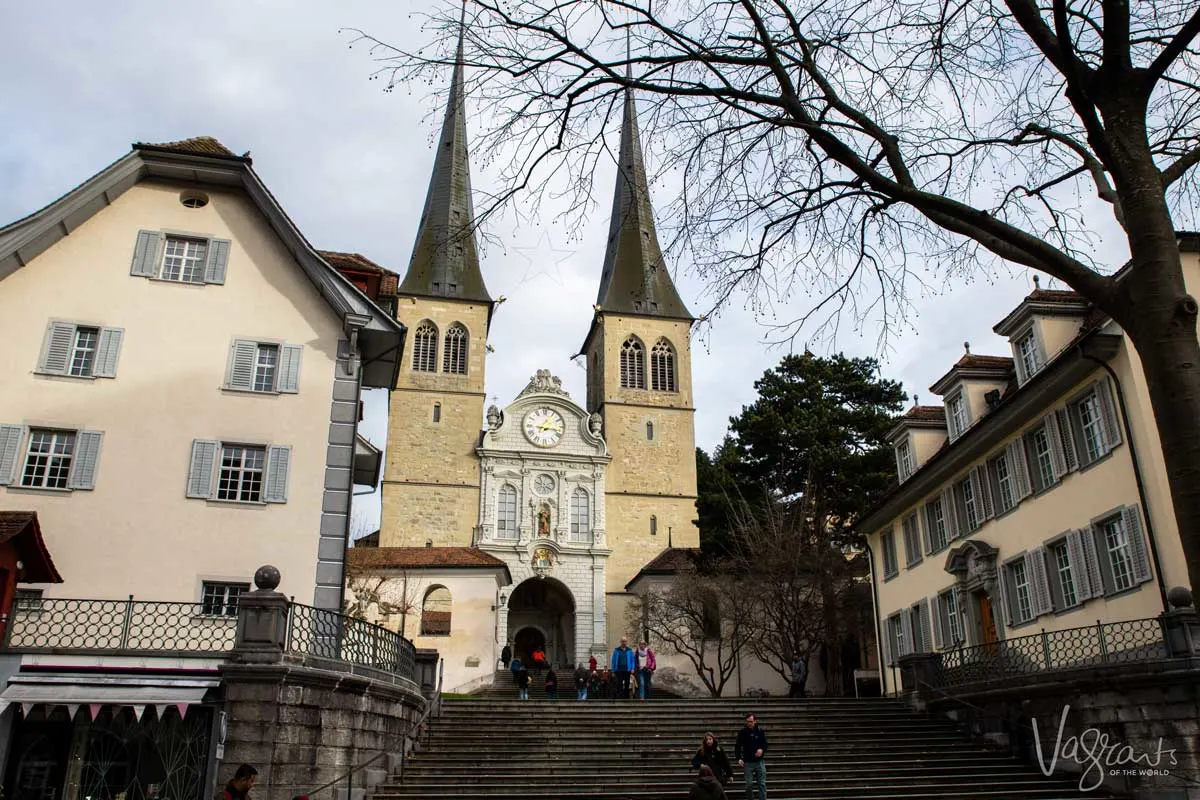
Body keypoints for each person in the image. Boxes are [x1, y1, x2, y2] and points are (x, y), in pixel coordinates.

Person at [734, 713, 768, 800]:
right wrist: (739, 758)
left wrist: (761, 749)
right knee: (749, 784)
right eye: (748, 722)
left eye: (751, 722)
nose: (749, 723)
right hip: (748, 762)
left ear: (755, 721)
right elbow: (737, 746)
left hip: (759, 761)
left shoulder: (760, 731)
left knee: (761, 784)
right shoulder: (743, 732)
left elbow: (765, 744)